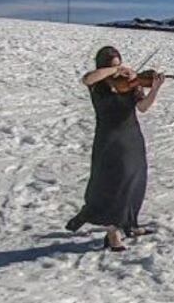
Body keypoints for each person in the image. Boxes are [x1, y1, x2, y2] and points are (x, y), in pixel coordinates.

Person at [67, 46, 166, 251]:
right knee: (114, 184)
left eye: (119, 64)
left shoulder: (130, 84)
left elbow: (143, 107)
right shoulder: (97, 85)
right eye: (113, 66)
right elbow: (87, 78)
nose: (120, 70)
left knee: (135, 180)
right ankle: (113, 234)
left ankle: (130, 224)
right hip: (109, 139)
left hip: (131, 138)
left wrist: (154, 88)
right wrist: (115, 71)